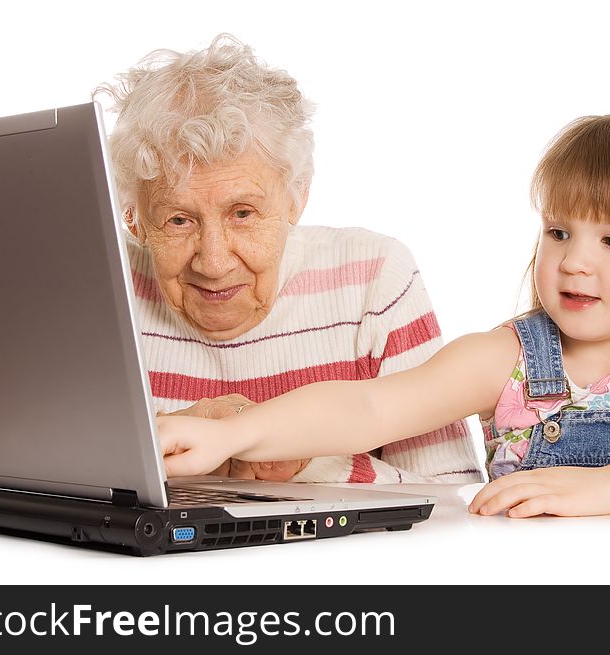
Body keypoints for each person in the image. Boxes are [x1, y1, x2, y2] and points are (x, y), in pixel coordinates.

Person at [157, 111, 610, 517]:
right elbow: (369, 408)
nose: (574, 262)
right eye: (559, 232)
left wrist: (603, 489)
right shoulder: (507, 357)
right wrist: (232, 437)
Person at [96, 34, 483, 485]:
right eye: (179, 220)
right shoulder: (101, 287)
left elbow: (453, 501)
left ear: (296, 198)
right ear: (133, 219)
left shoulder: (372, 279)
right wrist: (175, 441)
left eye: (243, 213)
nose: (214, 262)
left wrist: (299, 459)